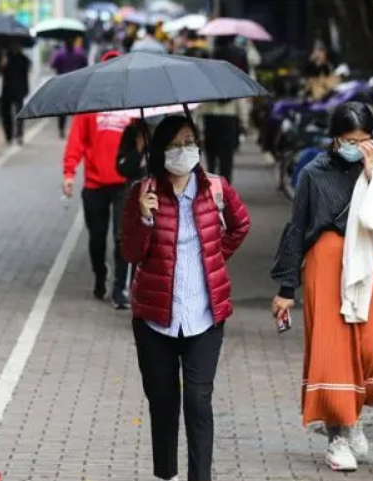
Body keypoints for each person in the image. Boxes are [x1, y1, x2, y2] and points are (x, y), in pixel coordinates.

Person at [121, 115, 250, 481]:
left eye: (189, 141)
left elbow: (241, 225)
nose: (183, 150)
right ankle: (167, 475)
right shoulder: (141, 192)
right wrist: (143, 218)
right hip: (154, 317)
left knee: (198, 401)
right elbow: (130, 253)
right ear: (161, 151)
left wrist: (215, 256)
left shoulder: (216, 188)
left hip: (205, 315)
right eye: (174, 145)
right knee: (163, 403)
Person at [271, 102, 373, 472]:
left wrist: (371, 173)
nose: (357, 146)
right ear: (335, 138)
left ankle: (353, 416)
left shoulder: (372, 173)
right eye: (350, 139)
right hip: (324, 263)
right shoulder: (312, 173)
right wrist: (286, 288)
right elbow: (296, 228)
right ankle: (337, 435)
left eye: (365, 139)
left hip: (366, 262)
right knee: (333, 352)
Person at [62, 50, 136, 308]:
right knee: (96, 238)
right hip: (94, 185)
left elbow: (142, 142)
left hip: (123, 185)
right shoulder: (89, 105)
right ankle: (100, 275)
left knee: (121, 237)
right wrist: (69, 173)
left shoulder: (132, 104)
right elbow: (76, 142)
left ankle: (119, 289)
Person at [199, 36, 248, 183]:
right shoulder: (232, 75)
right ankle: (226, 186)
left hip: (210, 118)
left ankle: (210, 184)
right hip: (229, 119)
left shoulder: (208, 75)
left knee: (211, 155)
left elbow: (201, 101)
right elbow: (241, 101)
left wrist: (197, 123)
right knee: (227, 156)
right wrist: (244, 122)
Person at [50, 39, 88, 138]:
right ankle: (77, 131)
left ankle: (61, 129)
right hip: (76, 83)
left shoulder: (59, 54)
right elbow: (85, 66)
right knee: (76, 109)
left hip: (62, 83)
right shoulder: (80, 53)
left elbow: (53, 65)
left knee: (62, 109)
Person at [0, 40, 31, 145]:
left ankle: (19, 134)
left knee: (19, 113)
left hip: (19, 90)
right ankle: (9, 136)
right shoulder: (5, 57)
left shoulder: (24, 59)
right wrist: (2, 65)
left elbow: (26, 74)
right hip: (7, 90)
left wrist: (26, 89)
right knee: (6, 114)